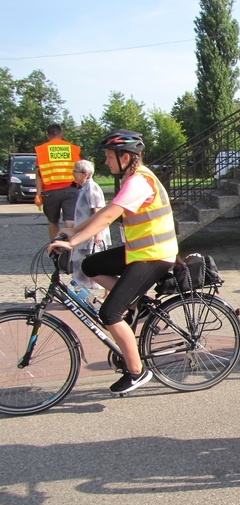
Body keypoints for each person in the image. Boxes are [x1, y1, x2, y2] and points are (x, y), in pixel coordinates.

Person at [48, 130, 178, 395]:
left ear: (125, 156)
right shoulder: (132, 179)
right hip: (139, 252)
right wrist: (70, 233)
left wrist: (72, 244)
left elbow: (107, 216)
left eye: (109, 156)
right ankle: (135, 301)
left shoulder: (139, 182)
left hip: (155, 255)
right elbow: (106, 214)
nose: (106, 162)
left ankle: (136, 371)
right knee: (91, 266)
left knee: (109, 314)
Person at [70, 160, 112, 293]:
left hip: (92, 235)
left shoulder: (91, 188)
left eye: (75, 171)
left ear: (85, 174)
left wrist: (97, 234)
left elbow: (98, 211)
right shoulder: (83, 188)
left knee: (96, 264)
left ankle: (105, 292)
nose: (73, 174)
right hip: (84, 234)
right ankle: (83, 290)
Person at [34, 124, 81, 240]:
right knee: (70, 220)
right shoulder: (72, 148)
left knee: (53, 221)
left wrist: (38, 194)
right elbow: (80, 168)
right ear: (61, 134)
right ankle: (72, 247)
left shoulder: (42, 150)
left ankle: (55, 250)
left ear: (47, 135)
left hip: (50, 192)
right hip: (70, 189)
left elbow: (39, 175)